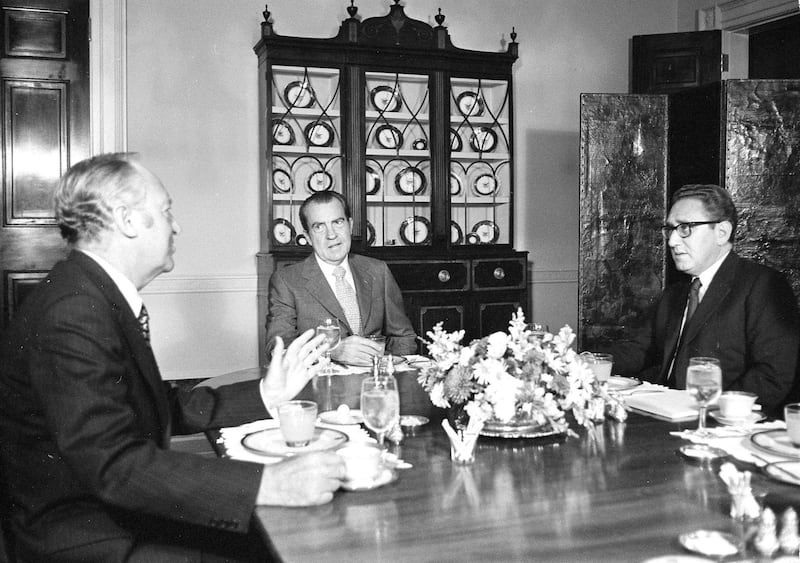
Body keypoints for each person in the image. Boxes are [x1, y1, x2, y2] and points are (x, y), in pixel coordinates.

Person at [0, 153, 345, 562]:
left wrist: (266, 395)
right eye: (166, 211)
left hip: (112, 514)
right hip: (86, 537)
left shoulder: (88, 293)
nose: (176, 225)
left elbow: (156, 405)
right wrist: (269, 484)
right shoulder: (72, 313)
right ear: (128, 220)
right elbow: (115, 465)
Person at [614, 184, 800, 416]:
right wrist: (580, 365)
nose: (672, 241)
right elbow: (638, 350)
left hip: (721, 425)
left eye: (685, 228)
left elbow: (774, 375)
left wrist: (711, 413)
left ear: (721, 232)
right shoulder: (675, 294)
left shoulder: (762, 285)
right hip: (660, 417)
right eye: (670, 229)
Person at [265, 191, 417, 365]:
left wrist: (388, 373)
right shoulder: (286, 281)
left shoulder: (377, 271)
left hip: (375, 384)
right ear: (307, 236)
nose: (332, 235)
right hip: (321, 387)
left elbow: (403, 337)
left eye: (338, 222)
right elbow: (277, 349)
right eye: (319, 227)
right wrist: (331, 351)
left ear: (350, 225)